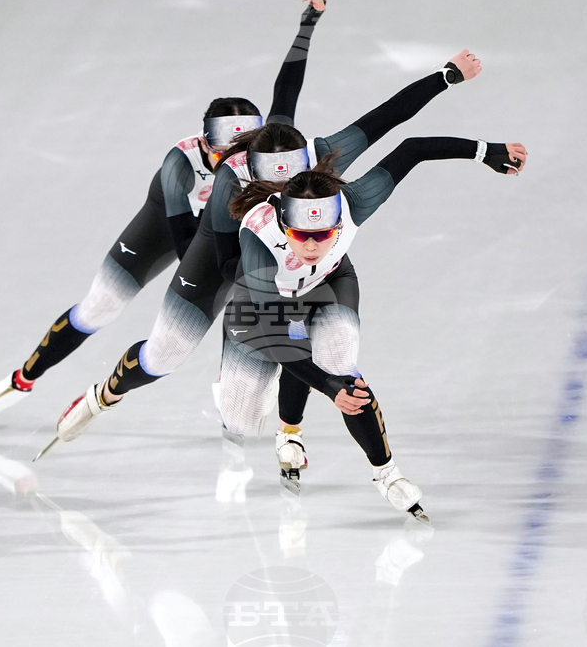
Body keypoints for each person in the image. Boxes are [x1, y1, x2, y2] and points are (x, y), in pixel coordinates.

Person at [41, 50, 486, 479]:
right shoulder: (230, 181)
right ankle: (101, 397)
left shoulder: (319, 156)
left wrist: (446, 75)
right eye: (267, 180)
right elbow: (226, 263)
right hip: (222, 263)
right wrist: (272, 301)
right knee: (165, 355)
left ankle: (289, 424)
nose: (279, 189)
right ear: (247, 168)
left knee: (269, 389)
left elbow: (386, 118)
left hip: (291, 253)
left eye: (289, 179)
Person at [0, 0, 328, 428]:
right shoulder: (179, 168)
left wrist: (307, 24)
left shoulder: (260, 154)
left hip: (225, 234)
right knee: (100, 308)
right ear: (207, 146)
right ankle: (19, 381)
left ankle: (236, 396)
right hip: (170, 233)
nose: (244, 164)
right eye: (230, 154)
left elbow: (287, 87)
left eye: (251, 151)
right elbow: (192, 249)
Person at [215, 135, 528, 520]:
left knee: (339, 361)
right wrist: (329, 390)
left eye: (324, 234)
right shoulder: (259, 237)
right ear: (282, 222)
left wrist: (485, 152)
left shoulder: (355, 203)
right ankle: (289, 431)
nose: (312, 246)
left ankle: (387, 473)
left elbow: (414, 148)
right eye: (301, 235)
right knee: (247, 406)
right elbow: (274, 335)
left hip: (329, 282)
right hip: (268, 297)